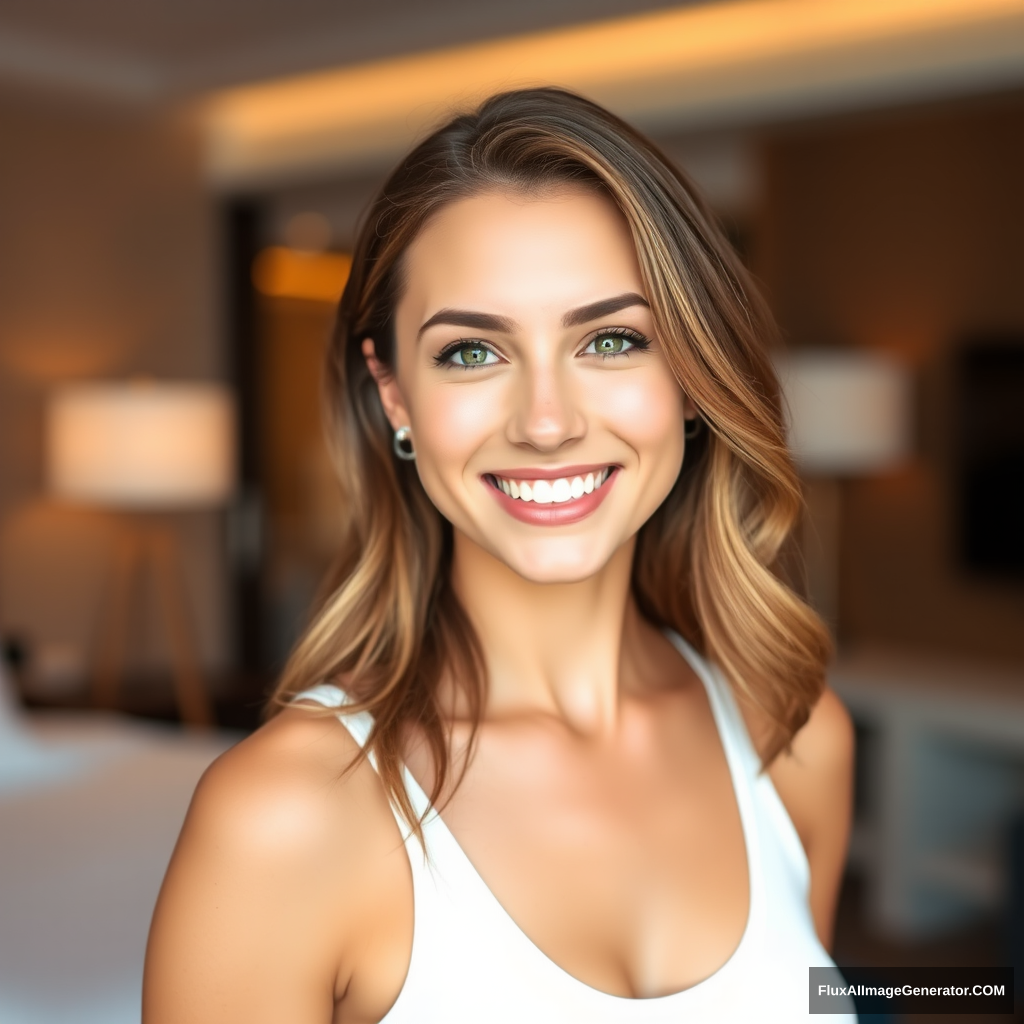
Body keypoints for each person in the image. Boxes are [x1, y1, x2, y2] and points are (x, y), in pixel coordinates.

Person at [144, 88, 855, 1023]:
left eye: (612, 340)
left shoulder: (793, 738)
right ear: (394, 395)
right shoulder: (285, 817)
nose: (548, 423)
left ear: (692, 375)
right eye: (473, 353)